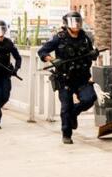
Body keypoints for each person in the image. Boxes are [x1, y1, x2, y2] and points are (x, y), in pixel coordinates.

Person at [38, 11, 97, 145]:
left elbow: (89, 54)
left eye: (78, 21)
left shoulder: (86, 37)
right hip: (65, 78)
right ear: (66, 24)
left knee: (90, 98)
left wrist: (93, 54)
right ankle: (66, 134)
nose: (76, 25)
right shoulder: (59, 38)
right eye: (72, 22)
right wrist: (52, 59)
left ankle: (74, 113)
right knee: (66, 106)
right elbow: (42, 51)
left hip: (82, 77)